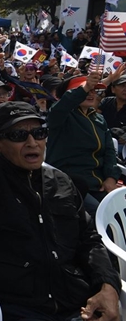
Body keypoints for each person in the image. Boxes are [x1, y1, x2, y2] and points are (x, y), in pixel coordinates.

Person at [0, 38, 121, 321]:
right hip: (19, 307)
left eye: (39, 133)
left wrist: (107, 286)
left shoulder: (60, 181)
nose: (32, 142)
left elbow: (89, 239)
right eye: (19, 135)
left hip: (75, 301)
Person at [46, 74, 122, 216]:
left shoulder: (98, 118)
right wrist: (86, 87)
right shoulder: (62, 115)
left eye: (94, 90)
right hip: (68, 182)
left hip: (97, 183)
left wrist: (111, 178)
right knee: (102, 214)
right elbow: (61, 107)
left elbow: (110, 152)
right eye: (85, 89)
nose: (90, 93)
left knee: (119, 209)